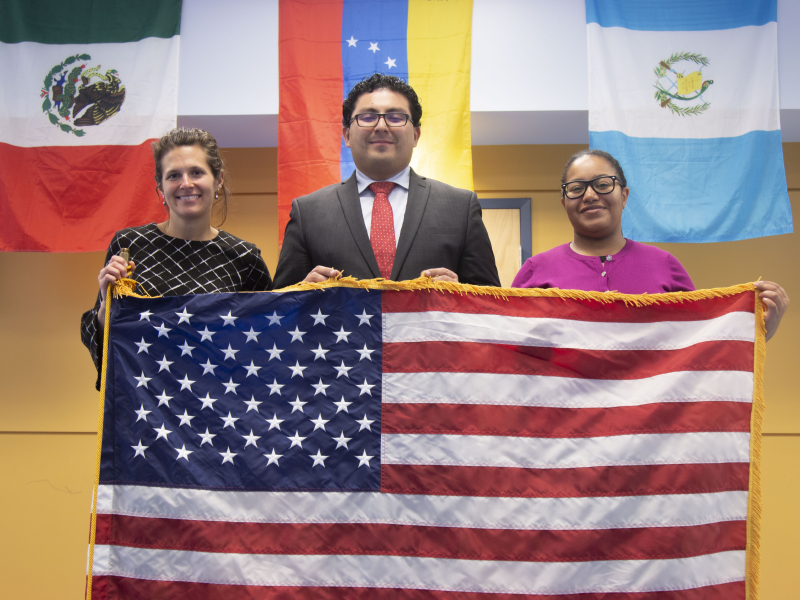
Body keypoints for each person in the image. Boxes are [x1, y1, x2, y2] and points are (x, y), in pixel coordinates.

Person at [512, 149, 789, 341]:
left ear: (624, 195)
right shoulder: (536, 271)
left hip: (651, 412)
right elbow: (511, 353)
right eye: (576, 188)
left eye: (603, 184)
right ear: (564, 202)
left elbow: (697, 348)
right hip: (564, 409)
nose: (590, 195)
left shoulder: (665, 266)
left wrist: (762, 330)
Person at [80, 128, 273, 389]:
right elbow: (103, 344)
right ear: (160, 187)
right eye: (173, 175)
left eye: (196, 172)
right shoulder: (129, 245)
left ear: (218, 180)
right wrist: (106, 305)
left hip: (219, 405)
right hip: (145, 405)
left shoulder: (245, 258)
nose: (186, 183)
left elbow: (268, 343)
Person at [271, 73, 500, 289]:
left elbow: (494, 303)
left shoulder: (460, 206)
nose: (381, 126)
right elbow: (277, 305)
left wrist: (462, 294)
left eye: (396, 117)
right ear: (347, 135)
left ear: (416, 135)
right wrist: (300, 292)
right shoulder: (308, 212)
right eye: (367, 117)